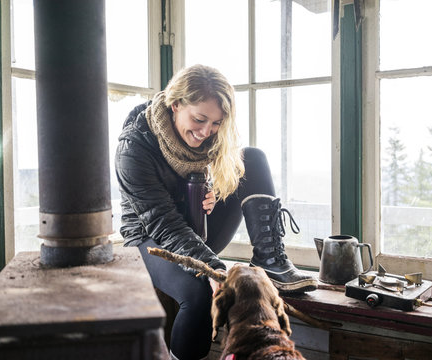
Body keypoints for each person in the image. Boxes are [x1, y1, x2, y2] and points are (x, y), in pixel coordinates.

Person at [115, 64, 318, 360]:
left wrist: (209, 193)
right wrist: (213, 268)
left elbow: (207, 176)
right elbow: (164, 224)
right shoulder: (133, 148)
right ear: (175, 104)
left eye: (215, 123)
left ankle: (270, 259)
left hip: (197, 228)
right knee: (199, 295)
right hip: (151, 241)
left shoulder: (209, 137)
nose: (205, 132)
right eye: (199, 119)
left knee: (252, 158)